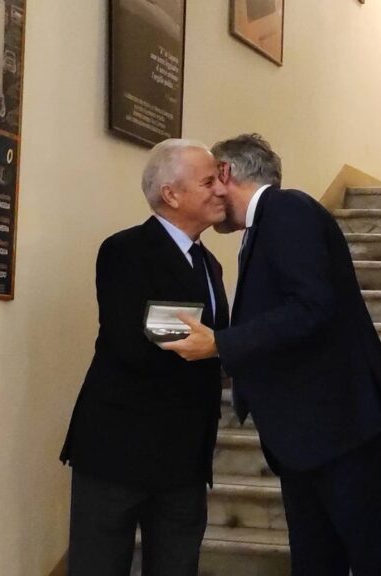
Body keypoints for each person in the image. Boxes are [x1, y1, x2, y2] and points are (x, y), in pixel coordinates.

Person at [163, 134, 381, 576]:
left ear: (226, 173)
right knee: (317, 558)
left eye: (209, 181)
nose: (210, 195)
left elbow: (312, 306)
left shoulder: (286, 209)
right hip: (311, 431)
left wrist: (222, 344)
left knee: (375, 556)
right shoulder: (265, 225)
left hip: (340, 423)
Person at [59, 139, 229, 576]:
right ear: (171, 194)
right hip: (120, 449)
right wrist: (215, 344)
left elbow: (201, 339)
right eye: (208, 182)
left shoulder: (210, 264)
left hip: (185, 458)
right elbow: (130, 339)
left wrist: (225, 345)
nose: (221, 190)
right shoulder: (126, 250)